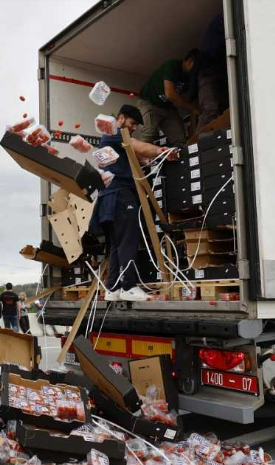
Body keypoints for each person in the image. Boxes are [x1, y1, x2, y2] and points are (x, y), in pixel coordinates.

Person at [88, 104, 178, 301]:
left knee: (116, 244)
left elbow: (138, 156)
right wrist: (162, 151)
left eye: (136, 125)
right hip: (121, 194)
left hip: (108, 198)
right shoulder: (115, 132)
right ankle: (128, 286)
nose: (134, 127)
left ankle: (113, 288)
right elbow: (141, 147)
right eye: (132, 123)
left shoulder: (111, 140)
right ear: (120, 119)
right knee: (128, 239)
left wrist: (151, 159)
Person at [135, 48, 202, 145]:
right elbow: (170, 95)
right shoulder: (172, 66)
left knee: (180, 139)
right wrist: (193, 108)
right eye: (196, 67)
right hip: (149, 103)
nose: (196, 71)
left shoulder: (189, 77)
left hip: (167, 107)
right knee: (148, 134)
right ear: (190, 61)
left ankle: (183, 159)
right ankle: (139, 159)